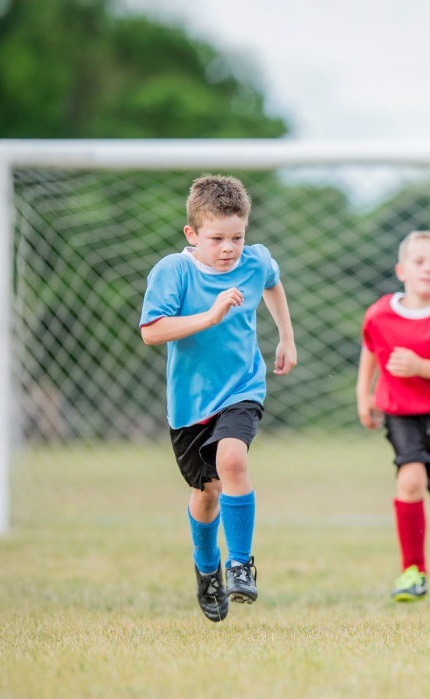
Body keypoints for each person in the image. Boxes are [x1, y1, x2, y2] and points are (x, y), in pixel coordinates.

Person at [140, 174, 297, 622]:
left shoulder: (254, 261)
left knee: (232, 460)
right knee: (205, 493)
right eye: (217, 239)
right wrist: (208, 317)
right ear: (192, 235)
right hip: (190, 404)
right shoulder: (173, 271)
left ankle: (240, 565)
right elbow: (152, 331)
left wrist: (286, 337)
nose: (229, 248)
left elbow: (272, 281)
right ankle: (207, 569)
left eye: (237, 236)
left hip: (242, 388)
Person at [357, 230, 430, 608]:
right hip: (399, 412)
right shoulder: (380, 313)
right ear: (401, 270)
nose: (427, 269)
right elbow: (371, 350)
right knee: (410, 480)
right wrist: (364, 394)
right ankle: (413, 571)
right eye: (419, 262)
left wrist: (421, 367)